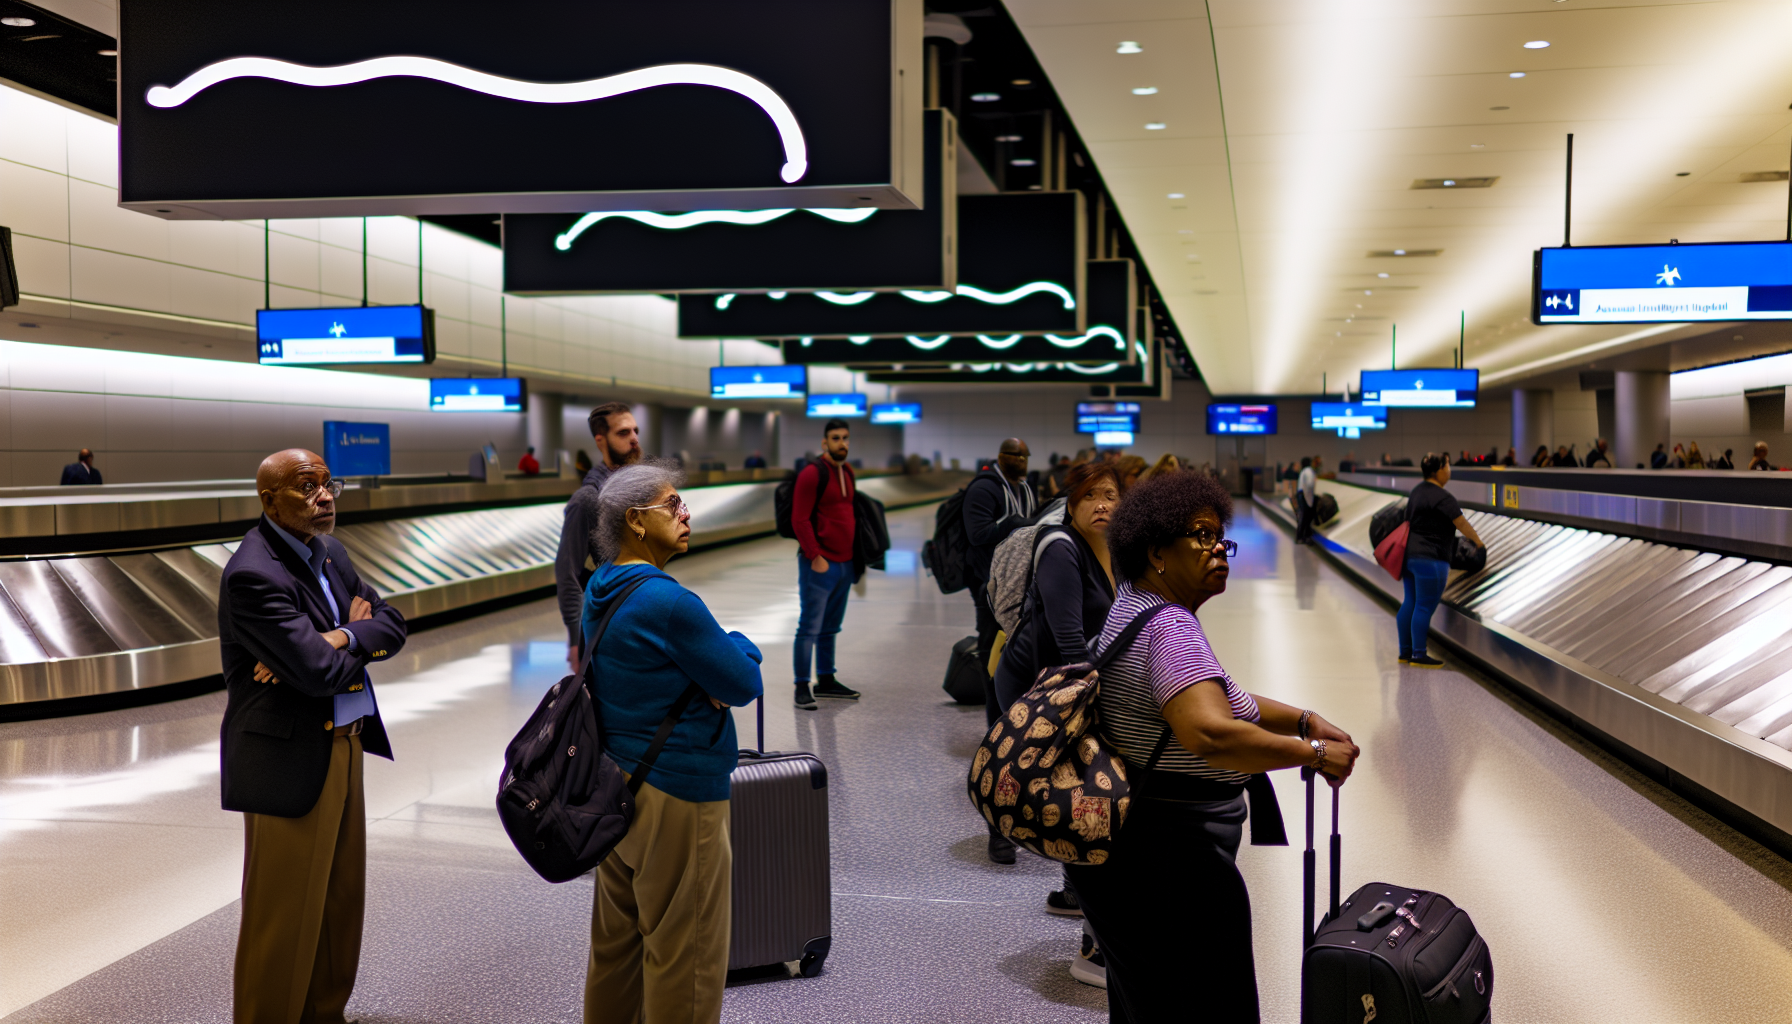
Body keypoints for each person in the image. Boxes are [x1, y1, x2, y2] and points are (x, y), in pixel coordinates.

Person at [1064, 471, 1360, 1021]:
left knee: (1149, 1002)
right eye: (1200, 536)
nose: (1218, 549)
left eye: (1221, 536)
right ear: (1156, 551)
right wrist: (1313, 755)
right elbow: (1209, 731)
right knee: (1208, 1006)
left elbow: (1218, 696)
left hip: (1130, 850)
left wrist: (1302, 719)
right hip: (1171, 860)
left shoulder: (1133, 605)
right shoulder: (1170, 628)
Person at [219, 448, 408, 1023]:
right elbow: (315, 673)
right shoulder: (254, 573)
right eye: (306, 487)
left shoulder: (331, 552)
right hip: (288, 757)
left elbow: (394, 624)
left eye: (328, 484)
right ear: (269, 499)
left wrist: (335, 637)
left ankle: (326, 1012)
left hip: (344, 741)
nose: (323, 496)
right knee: (285, 910)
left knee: (339, 897)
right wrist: (351, 633)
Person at [580, 463, 763, 1024]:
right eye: (673, 505)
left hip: (616, 789)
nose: (686, 515)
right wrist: (739, 643)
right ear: (637, 520)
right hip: (679, 796)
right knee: (686, 954)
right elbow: (741, 682)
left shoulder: (602, 586)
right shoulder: (670, 603)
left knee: (617, 946)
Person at [988, 461, 1120, 874]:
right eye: (1089, 497)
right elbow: (1070, 639)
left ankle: (1070, 867)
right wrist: (1097, 701)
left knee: (1062, 777)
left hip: (1063, 679)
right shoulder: (1061, 548)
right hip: (1033, 681)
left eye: (1110, 496)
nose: (1100, 505)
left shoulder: (1113, 549)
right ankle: (1001, 831)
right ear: (1071, 503)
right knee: (1029, 768)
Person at [556, 402, 643, 666]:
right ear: (600, 441)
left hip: (639, 611)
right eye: (623, 433)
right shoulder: (588, 500)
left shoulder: (637, 489)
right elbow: (567, 571)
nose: (634, 439)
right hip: (608, 624)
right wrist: (575, 638)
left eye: (636, 431)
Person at [964, 440, 1037, 728]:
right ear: (1001, 457)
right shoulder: (983, 488)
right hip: (987, 580)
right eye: (1015, 456)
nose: (1021, 460)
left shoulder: (1024, 487)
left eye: (1024, 456)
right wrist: (1014, 523)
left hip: (1014, 579)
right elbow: (977, 534)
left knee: (1009, 643)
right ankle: (994, 719)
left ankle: (1012, 710)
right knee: (990, 646)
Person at [790, 418, 860, 710]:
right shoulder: (811, 473)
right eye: (835, 438)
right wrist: (814, 555)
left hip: (844, 563)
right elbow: (799, 518)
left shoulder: (849, 472)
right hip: (819, 562)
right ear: (824, 443)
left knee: (831, 626)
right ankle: (802, 685)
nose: (841, 443)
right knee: (810, 626)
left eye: (845, 438)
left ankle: (827, 679)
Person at [1397, 453, 1486, 668]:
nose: (1449, 470)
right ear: (1439, 470)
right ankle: (1419, 654)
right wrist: (1479, 543)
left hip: (1410, 557)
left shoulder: (1416, 492)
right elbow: (1461, 523)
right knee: (1424, 607)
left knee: (1410, 602)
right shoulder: (1443, 497)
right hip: (1432, 558)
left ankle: (1405, 652)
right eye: (1447, 466)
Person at [1294, 456, 1319, 545]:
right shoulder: (1308, 471)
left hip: (1301, 494)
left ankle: (1303, 536)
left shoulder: (1303, 471)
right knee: (1306, 516)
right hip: (1304, 495)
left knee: (1304, 516)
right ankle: (1302, 536)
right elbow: (1310, 484)